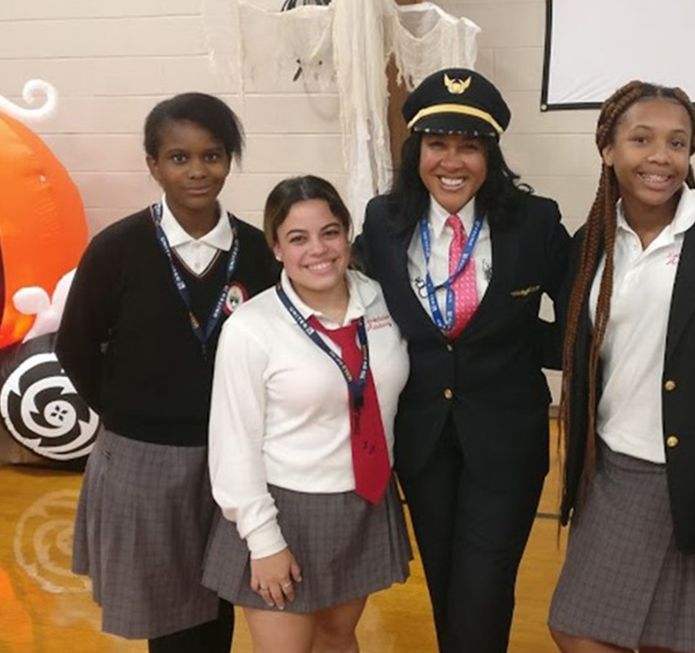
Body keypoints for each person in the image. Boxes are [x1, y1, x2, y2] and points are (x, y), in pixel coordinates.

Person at [353, 67, 570, 653]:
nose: (452, 162)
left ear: (491, 154)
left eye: (469, 147)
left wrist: (528, 345)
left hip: (506, 439)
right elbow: (351, 308)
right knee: (446, 584)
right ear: (415, 150)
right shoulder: (383, 220)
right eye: (437, 144)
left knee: (484, 585)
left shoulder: (534, 221)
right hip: (423, 440)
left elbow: (580, 316)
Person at [548, 82, 695, 653]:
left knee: (673, 640)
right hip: (615, 470)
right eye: (641, 139)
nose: (660, 157)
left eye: (677, 142)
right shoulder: (592, 242)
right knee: (575, 626)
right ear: (608, 149)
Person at [57, 92, 277, 652]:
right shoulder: (117, 249)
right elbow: (76, 346)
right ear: (153, 164)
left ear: (230, 160)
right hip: (144, 456)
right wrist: (130, 412)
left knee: (227, 597)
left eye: (213, 155)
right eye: (179, 158)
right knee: (171, 615)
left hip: (237, 456)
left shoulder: (256, 253)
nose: (198, 170)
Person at [202, 175, 411, 653]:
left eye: (330, 232)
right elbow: (233, 445)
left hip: (362, 500)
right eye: (297, 238)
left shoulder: (382, 299)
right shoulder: (253, 328)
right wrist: (263, 540)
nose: (318, 249)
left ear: (347, 234)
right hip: (282, 510)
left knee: (338, 639)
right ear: (276, 248)